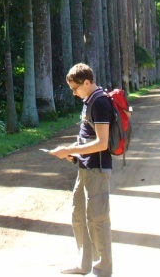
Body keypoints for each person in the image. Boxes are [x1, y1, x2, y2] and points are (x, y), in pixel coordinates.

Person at [49, 63, 113, 277]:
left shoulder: (101, 102)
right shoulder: (88, 101)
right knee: (78, 216)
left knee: (98, 219)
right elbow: (87, 138)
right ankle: (83, 264)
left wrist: (70, 148)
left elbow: (102, 143)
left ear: (87, 82)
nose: (74, 94)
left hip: (98, 170)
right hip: (84, 168)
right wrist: (72, 154)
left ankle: (103, 270)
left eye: (76, 88)